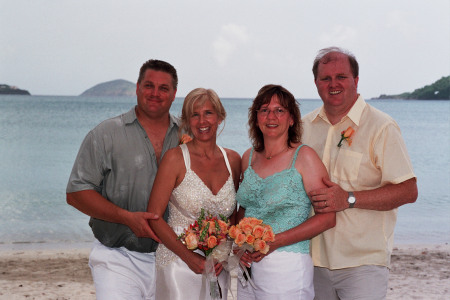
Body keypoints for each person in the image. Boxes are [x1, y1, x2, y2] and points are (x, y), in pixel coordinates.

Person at [302, 47, 418, 300]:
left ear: (355, 80)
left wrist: (350, 199)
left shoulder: (382, 127)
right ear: (316, 83)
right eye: (325, 78)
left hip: (362, 263)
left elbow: (408, 191)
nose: (333, 84)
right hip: (311, 260)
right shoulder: (302, 128)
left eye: (341, 77)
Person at [66, 59, 180, 300]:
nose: (155, 94)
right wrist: (126, 218)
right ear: (137, 87)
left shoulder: (187, 135)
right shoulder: (106, 134)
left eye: (163, 88)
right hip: (117, 257)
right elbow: (76, 193)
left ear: (174, 94)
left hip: (174, 260)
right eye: (149, 85)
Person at [236, 84, 336, 300]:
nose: (271, 116)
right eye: (264, 110)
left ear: (291, 119)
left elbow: (328, 218)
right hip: (246, 267)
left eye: (279, 110)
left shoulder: (304, 157)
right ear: (256, 118)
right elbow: (244, 208)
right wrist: (238, 246)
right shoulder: (248, 157)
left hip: (286, 266)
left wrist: (276, 241)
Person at [146, 88, 241, 299]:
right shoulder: (174, 159)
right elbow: (154, 217)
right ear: (187, 121)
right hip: (178, 264)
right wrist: (189, 258)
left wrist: (222, 254)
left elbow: (233, 215)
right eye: (194, 115)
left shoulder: (233, 160)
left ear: (220, 116)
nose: (201, 121)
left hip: (217, 266)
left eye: (208, 113)